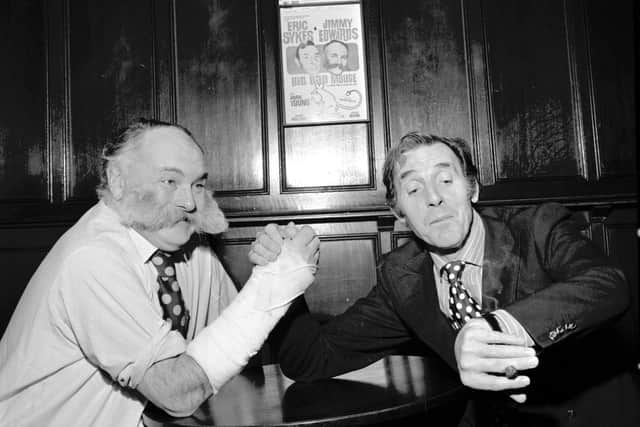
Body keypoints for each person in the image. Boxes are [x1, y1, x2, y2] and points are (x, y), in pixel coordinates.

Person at [250, 133, 640, 426]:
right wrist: (281, 279)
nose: (433, 198)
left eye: (446, 180)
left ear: (472, 189)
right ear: (398, 212)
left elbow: (608, 284)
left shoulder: (537, 228)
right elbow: (311, 358)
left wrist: (498, 327)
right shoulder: (402, 279)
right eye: (413, 188)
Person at [0, 118, 319, 426]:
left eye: (198, 184)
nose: (190, 202)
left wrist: (274, 264)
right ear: (118, 181)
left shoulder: (195, 251)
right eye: (170, 181)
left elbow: (236, 352)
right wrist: (273, 287)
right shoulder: (91, 258)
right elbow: (176, 393)